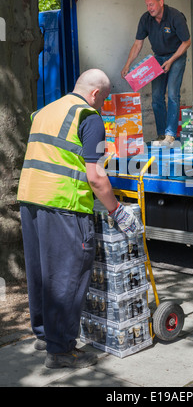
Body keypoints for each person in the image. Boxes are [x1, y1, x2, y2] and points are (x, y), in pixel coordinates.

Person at [17, 69, 141, 369]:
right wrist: (117, 211)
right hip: (64, 204)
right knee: (67, 275)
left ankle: (45, 335)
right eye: (105, 98)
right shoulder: (89, 117)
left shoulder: (46, 110)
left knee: (41, 273)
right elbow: (96, 176)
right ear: (96, 94)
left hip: (31, 200)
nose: (104, 105)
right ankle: (61, 351)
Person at [121, 0, 191, 146]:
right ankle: (161, 134)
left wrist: (171, 60)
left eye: (151, 4)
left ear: (161, 2)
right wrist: (127, 65)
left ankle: (170, 134)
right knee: (157, 97)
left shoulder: (175, 16)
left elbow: (186, 42)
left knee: (173, 94)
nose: (149, 8)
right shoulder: (146, 19)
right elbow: (138, 43)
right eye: (147, 5)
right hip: (158, 57)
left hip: (177, 56)